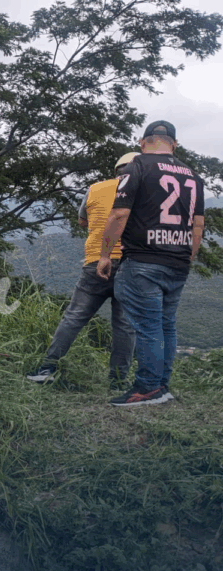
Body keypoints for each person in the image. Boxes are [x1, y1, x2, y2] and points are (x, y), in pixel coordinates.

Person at [97, 121, 205, 406]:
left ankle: (146, 388)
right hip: (178, 262)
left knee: (148, 327)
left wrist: (106, 255)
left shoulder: (137, 166)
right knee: (166, 325)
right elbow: (198, 225)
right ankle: (162, 386)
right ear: (175, 145)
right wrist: (187, 258)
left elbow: (119, 215)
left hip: (144, 260)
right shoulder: (193, 176)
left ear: (143, 142)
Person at [26, 153, 139, 388]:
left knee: (74, 317)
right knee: (125, 325)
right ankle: (118, 382)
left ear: (116, 170)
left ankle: (47, 367)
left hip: (96, 261)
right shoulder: (143, 191)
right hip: (130, 264)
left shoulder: (95, 188)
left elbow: (82, 221)